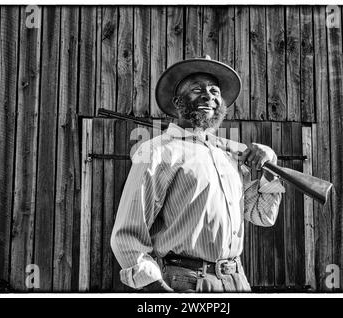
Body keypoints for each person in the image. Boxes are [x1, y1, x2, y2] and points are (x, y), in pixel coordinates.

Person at [110, 56, 285, 292]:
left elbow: (261, 215)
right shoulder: (157, 151)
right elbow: (128, 234)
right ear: (177, 101)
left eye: (214, 91)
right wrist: (155, 288)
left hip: (237, 281)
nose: (208, 96)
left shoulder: (228, 156)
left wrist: (270, 167)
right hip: (187, 282)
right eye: (196, 89)